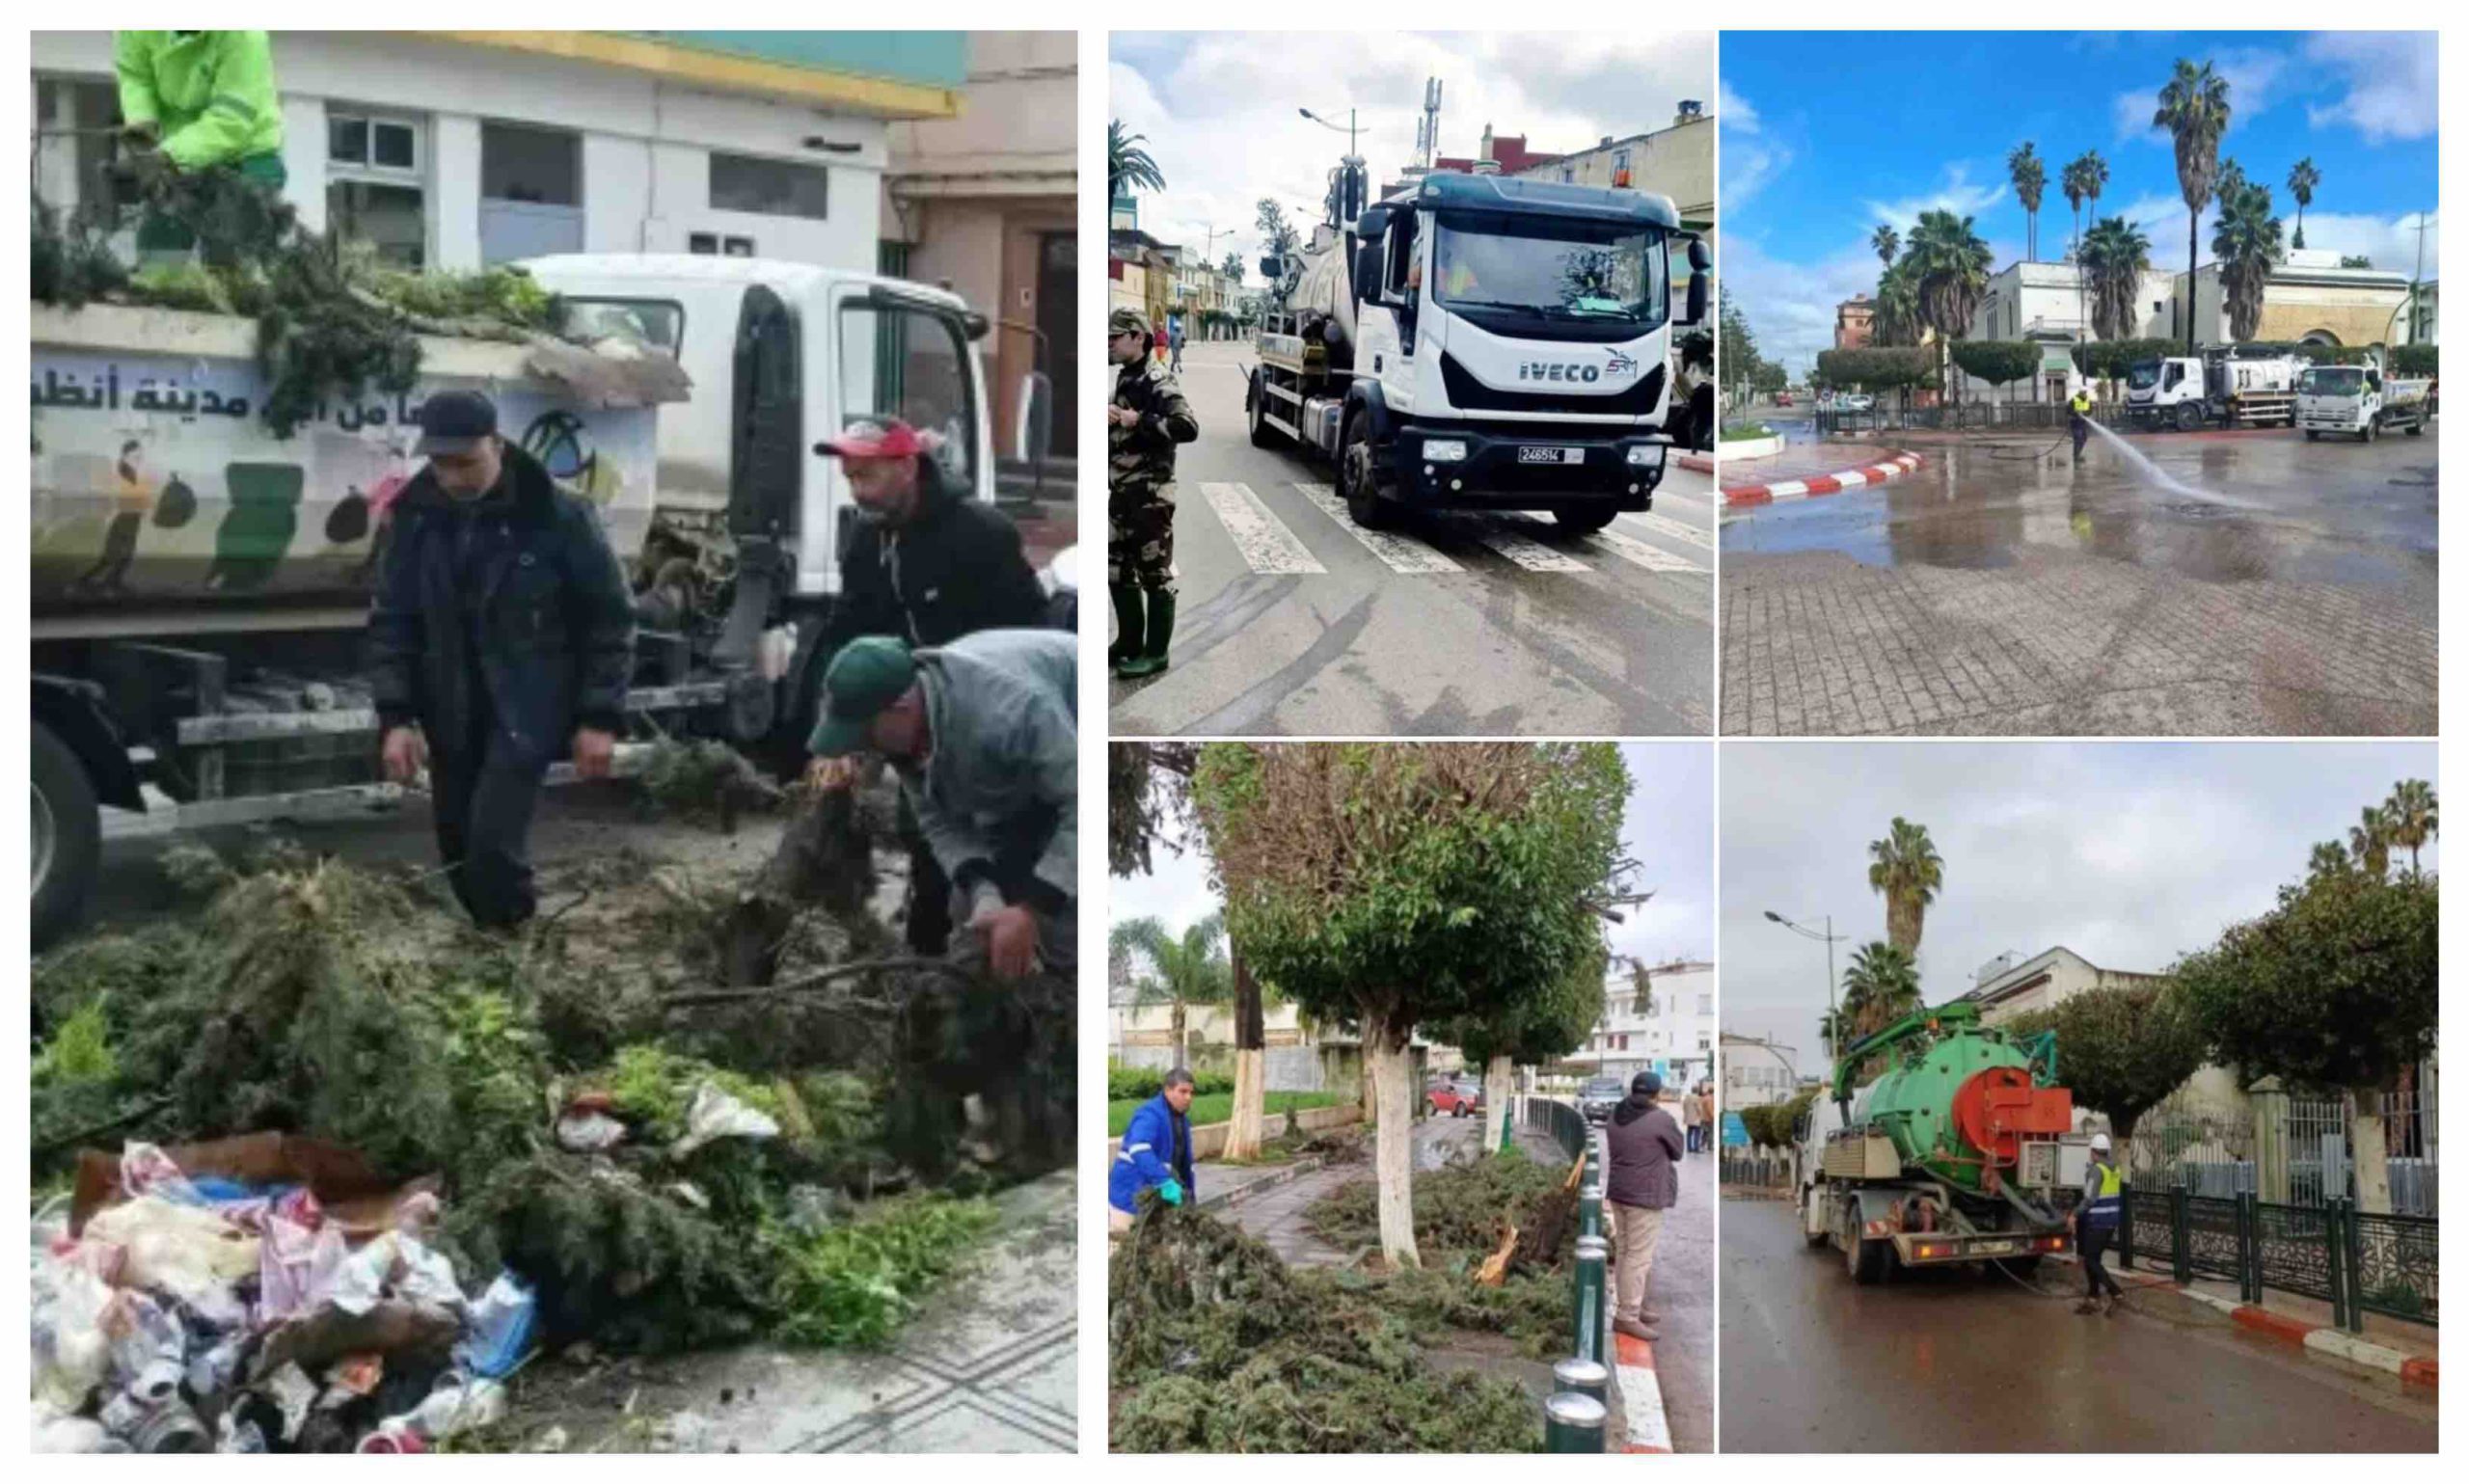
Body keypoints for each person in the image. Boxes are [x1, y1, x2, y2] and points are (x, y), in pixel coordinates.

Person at [369, 391, 633, 929]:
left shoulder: (559, 516)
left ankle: (516, 946)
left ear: (497, 445)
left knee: (492, 848)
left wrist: (598, 717)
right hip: (451, 705)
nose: (453, 477)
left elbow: (610, 618)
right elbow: (393, 620)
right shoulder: (415, 520)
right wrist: (396, 718)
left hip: (528, 707)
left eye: (467, 462)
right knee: (459, 852)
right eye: (440, 464)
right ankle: (496, 950)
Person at [804, 417, 1050, 953]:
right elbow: (846, 630)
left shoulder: (980, 535)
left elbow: (1032, 633)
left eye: (867, 476)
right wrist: (838, 730)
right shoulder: (868, 542)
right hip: (907, 719)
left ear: (908, 467)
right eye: (850, 478)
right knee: (928, 843)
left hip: (988, 720)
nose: (857, 491)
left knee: (1003, 852)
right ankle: (926, 959)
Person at [805, 629, 1075, 981]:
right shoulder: (907, 736)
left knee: (1063, 927)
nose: (864, 749)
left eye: (865, 735)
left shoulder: (1012, 710)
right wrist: (984, 892)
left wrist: (1032, 909)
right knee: (973, 920)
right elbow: (940, 822)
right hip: (1015, 781)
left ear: (900, 708)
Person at [113, 32, 287, 260]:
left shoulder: (244, 34)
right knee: (159, 242)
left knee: (233, 252)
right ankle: (158, 289)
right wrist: (142, 124)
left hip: (246, 152)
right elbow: (136, 77)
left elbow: (230, 121)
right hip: (177, 150)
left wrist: (168, 156)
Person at [1106, 307, 1199, 681]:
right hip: (1123, 491)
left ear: (1138, 338)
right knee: (1116, 569)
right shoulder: (1127, 376)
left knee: (1154, 573)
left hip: (1150, 494)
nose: (1109, 344)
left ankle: (1156, 653)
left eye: (1116, 337)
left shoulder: (1158, 379)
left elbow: (1187, 426)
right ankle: (1129, 641)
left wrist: (1137, 421)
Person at [1606, 1070, 1686, 1342]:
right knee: (1638, 1258)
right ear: (1656, 1093)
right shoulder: (1660, 1119)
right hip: (1645, 1196)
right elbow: (1678, 1150)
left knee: (1626, 1252)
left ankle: (1631, 1306)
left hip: (1619, 1192)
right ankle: (1627, 1315)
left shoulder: (1616, 1114)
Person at [1109, 1067, 1199, 1232]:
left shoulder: (1182, 1121)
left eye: (1191, 1093)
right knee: (1121, 1247)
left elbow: (1184, 1163)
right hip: (1130, 1195)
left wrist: (1190, 1199)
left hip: (1155, 1200)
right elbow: (1139, 1148)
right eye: (1183, 1091)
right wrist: (1164, 1181)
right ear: (1167, 1090)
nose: (1188, 1098)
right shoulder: (1150, 1114)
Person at [2076, 1131, 2127, 1315]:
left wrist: (2074, 1214)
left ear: (2094, 1152)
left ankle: (2115, 1291)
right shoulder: (2115, 1169)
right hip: (2111, 1220)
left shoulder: (2097, 1170)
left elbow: (2089, 1199)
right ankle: (2093, 1297)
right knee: (2093, 1259)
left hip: (2097, 1221)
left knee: (2090, 1259)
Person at [2069, 385, 2095, 463]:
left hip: (2083, 423)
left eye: (2085, 392)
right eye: (2083, 392)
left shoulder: (2088, 400)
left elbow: (2090, 410)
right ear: (2079, 392)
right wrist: (2076, 413)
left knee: (2084, 439)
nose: (2084, 394)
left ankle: (2077, 453)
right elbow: (2068, 410)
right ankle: (2076, 455)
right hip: (2075, 423)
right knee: (2078, 438)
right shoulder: (2073, 400)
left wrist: (2085, 413)